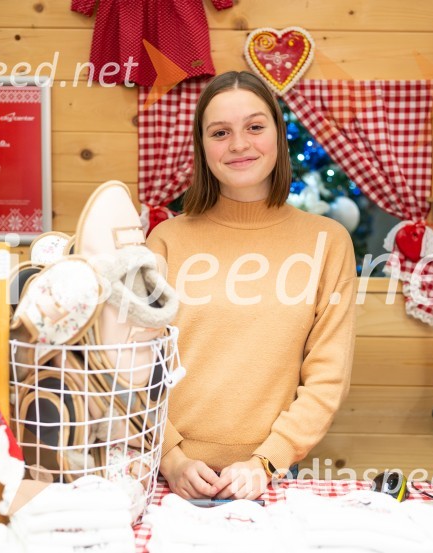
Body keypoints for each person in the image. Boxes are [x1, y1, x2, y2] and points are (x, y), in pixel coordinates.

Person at [146, 71, 357, 501]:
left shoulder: (328, 241)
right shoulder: (165, 240)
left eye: (255, 127)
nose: (239, 144)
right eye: (220, 132)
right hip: (166, 474)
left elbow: (328, 376)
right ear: (202, 146)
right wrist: (170, 456)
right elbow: (133, 366)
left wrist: (266, 461)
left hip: (271, 476)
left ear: (278, 135)